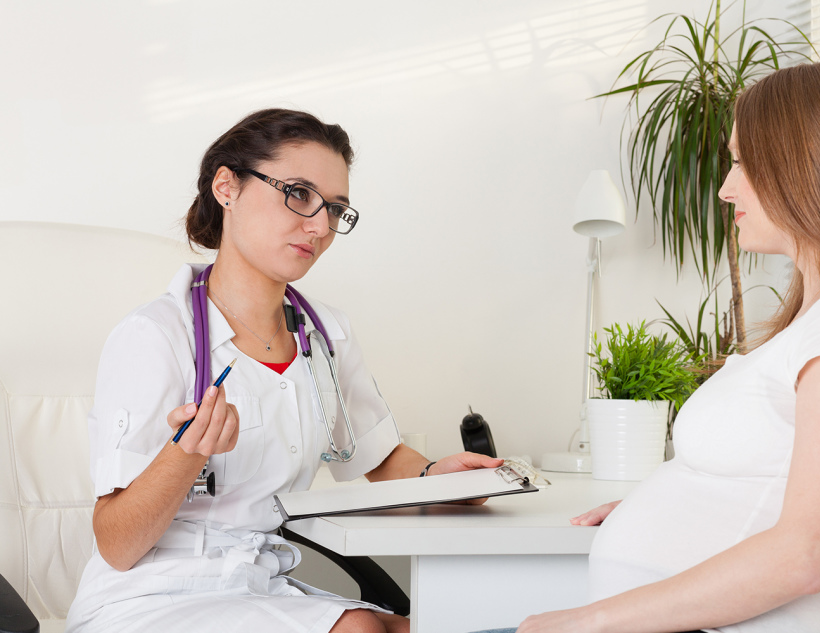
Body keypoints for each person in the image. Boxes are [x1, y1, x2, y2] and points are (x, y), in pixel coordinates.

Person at [480, 60, 820, 633]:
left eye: (742, 163)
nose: (727, 189)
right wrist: (673, 510)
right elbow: (774, 479)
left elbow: (801, 559)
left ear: (805, 167)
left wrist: (582, 622)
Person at [65, 108, 502, 633]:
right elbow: (116, 543)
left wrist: (437, 480)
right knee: (362, 629)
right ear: (227, 187)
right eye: (298, 193)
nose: (319, 226)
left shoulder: (325, 334)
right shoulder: (156, 335)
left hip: (259, 586)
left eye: (335, 209)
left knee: (420, 627)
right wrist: (187, 453)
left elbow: (379, 458)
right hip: (150, 597)